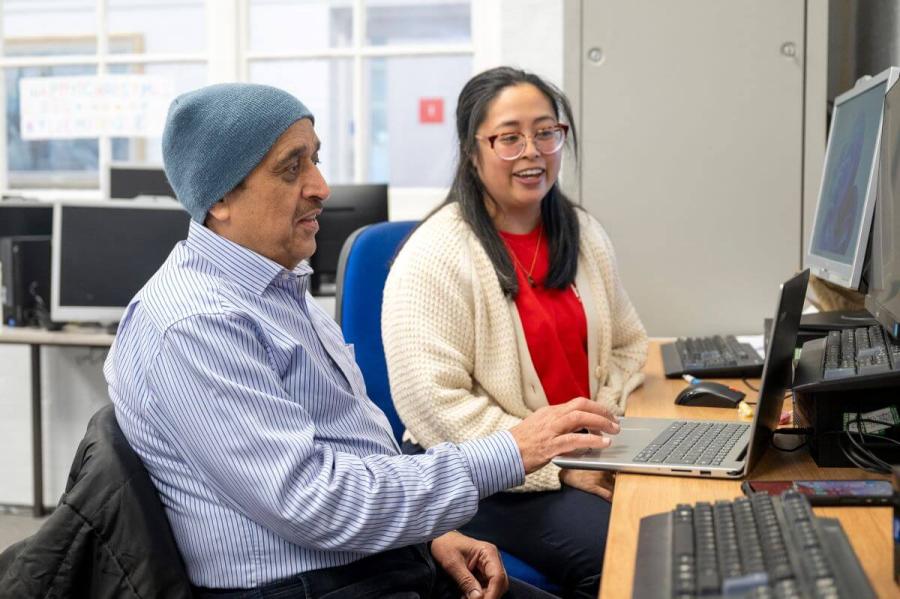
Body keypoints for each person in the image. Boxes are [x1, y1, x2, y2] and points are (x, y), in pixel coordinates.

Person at [103, 82, 621, 599]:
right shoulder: (195, 322)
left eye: (316, 159)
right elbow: (314, 503)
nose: (320, 186)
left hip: (370, 559)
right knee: (624, 563)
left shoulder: (277, 289)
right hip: (311, 587)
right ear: (218, 198)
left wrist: (431, 533)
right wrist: (512, 450)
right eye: (292, 167)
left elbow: (353, 447)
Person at [382, 67, 649, 598]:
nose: (532, 151)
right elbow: (434, 406)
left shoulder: (582, 232)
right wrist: (557, 462)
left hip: (576, 457)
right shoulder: (435, 256)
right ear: (472, 149)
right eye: (509, 138)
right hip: (483, 476)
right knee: (624, 549)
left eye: (547, 132)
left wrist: (595, 432)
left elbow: (628, 343)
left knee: (674, 512)